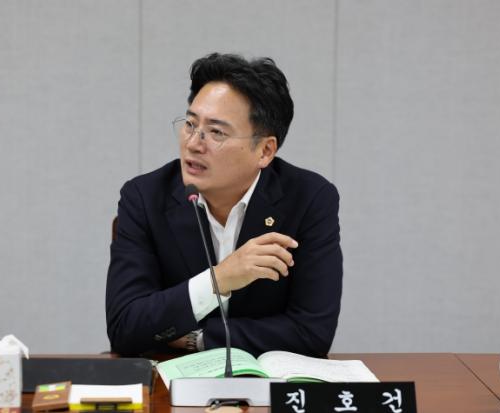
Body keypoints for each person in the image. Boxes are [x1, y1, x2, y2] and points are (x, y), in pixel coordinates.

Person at [106, 53, 342, 358]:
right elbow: (125, 327)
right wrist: (219, 280)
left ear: (265, 151)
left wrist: (197, 339)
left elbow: (312, 333)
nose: (193, 143)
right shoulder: (145, 197)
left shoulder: (309, 199)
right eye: (190, 124)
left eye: (216, 132)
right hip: (170, 381)